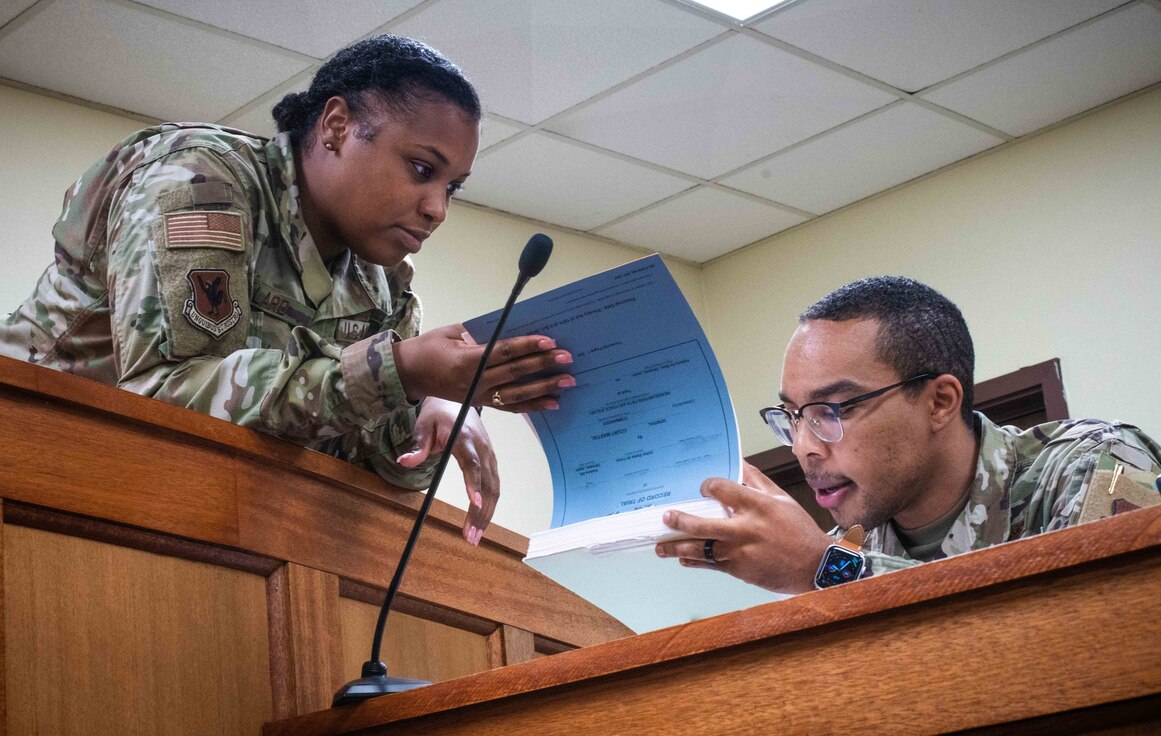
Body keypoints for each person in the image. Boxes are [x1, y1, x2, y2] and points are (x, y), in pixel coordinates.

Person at [0, 35, 575, 545]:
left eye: (454, 187)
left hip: (194, 523)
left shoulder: (380, 282)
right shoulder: (202, 180)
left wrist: (427, 414)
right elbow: (166, 393)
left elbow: (361, 462)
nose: (437, 208)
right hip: (34, 471)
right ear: (336, 126)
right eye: (423, 169)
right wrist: (401, 371)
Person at [656, 276, 1161, 592]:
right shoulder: (851, 544)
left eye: (832, 409)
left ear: (940, 401)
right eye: (792, 416)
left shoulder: (1097, 462)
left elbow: (1103, 640)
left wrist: (822, 571)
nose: (805, 445)